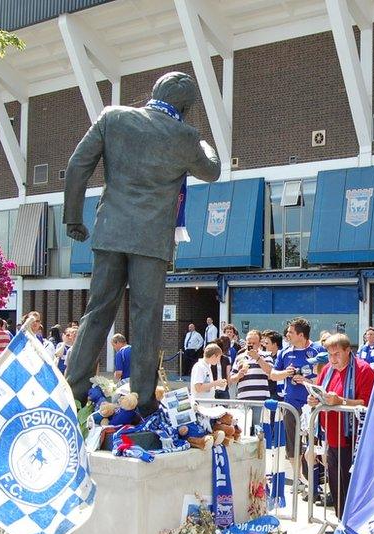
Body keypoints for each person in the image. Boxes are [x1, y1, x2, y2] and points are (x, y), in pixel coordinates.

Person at [62, 71, 221, 416]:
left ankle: (73, 389)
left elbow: (77, 165)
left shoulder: (113, 117)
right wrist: (205, 144)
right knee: (147, 318)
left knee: (98, 310)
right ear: (186, 107)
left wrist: (73, 217)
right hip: (151, 240)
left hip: (110, 232)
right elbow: (212, 170)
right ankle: (144, 401)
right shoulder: (185, 137)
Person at [308, 333, 374, 519]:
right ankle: (340, 521)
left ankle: (351, 522)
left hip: (352, 437)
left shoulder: (364, 369)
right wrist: (315, 399)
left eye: (337, 354)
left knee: (349, 482)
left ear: (348, 351)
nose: (332, 359)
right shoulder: (327, 370)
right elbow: (322, 393)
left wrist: (341, 401)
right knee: (335, 482)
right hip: (331, 435)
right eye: (329, 354)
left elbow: (367, 402)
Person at [271, 317, 326, 481]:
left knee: (315, 446)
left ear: (301, 335)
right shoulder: (285, 351)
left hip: (315, 404)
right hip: (291, 404)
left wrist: (307, 381)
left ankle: (316, 480)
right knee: (293, 444)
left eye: (290, 332)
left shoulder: (318, 350)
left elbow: (326, 378)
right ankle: (298, 480)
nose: (287, 335)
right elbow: (273, 375)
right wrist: (286, 374)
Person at [230, 330, 274, 434]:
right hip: (243, 399)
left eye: (254, 343)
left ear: (260, 343)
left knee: (258, 429)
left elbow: (270, 371)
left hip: (260, 399)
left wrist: (257, 358)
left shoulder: (266, 355)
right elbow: (231, 378)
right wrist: (239, 375)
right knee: (243, 430)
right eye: (249, 343)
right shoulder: (240, 357)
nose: (251, 345)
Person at [261, 329, 283, 400]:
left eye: (267, 343)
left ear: (274, 344)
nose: (264, 345)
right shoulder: (262, 356)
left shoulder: (283, 356)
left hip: (279, 392)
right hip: (265, 391)